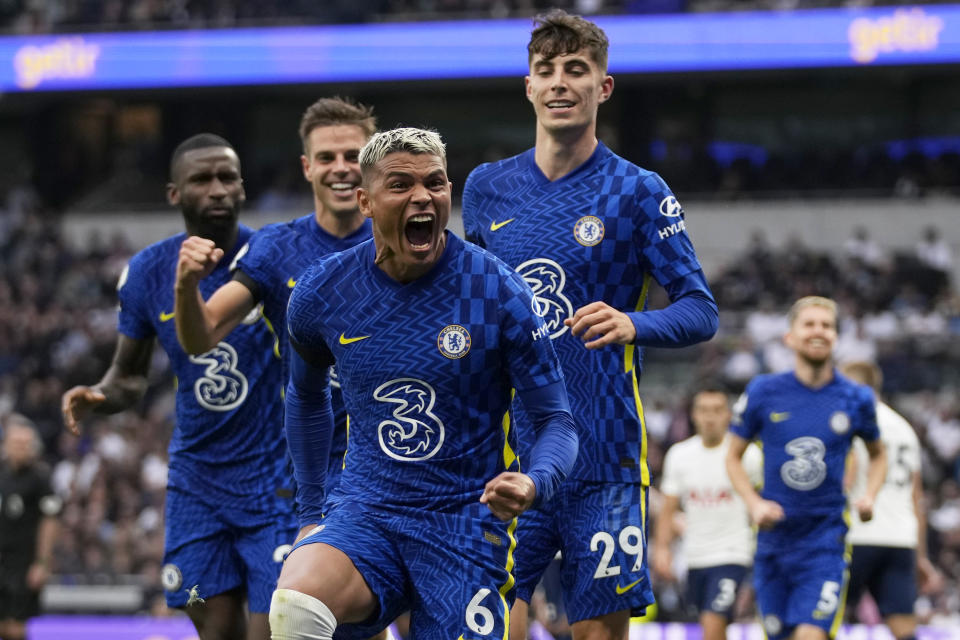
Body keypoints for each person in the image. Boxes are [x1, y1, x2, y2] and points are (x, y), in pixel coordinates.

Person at [461, 10, 718, 640]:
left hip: (603, 452)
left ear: (603, 86)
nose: (559, 83)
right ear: (528, 87)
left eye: (576, 69)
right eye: (545, 70)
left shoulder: (637, 190)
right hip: (506, 452)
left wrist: (634, 323)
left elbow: (699, 309)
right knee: (488, 626)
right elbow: (465, 309)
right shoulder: (485, 189)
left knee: (597, 634)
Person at [267, 127, 579, 640]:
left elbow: (556, 420)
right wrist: (310, 512)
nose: (422, 197)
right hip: (367, 512)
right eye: (401, 185)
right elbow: (305, 395)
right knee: (296, 604)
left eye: (435, 183)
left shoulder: (498, 290)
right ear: (365, 201)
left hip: (464, 522)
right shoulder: (322, 292)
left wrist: (534, 481)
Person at [61, 134, 295, 640]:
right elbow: (128, 377)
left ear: (241, 187)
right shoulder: (147, 271)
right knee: (214, 628)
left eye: (227, 178)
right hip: (197, 481)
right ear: (174, 194)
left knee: (275, 628)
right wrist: (101, 396)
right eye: (202, 179)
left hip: (275, 478)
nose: (217, 190)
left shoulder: (273, 258)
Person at [174, 97, 376, 493]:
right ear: (307, 167)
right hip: (311, 474)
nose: (340, 168)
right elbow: (201, 336)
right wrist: (185, 287)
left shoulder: (407, 243)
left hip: (395, 463)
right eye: (326, 157)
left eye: (353, 156)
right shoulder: (276, 248)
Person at [726, 296, 887, 640]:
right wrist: (754, 504)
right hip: (774, 541)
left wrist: (870, 495)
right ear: (790, 337)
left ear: (836, 337)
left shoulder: (856, 397)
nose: (819, 331)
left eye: (827, 326)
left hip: (825, 542)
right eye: (810, 324)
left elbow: (878, 454)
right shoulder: (763, 391)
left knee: (810, 635)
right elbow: (732, 456)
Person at [840, 360, 944, 640]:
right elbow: (916, 497)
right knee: (903, 628)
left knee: (825, 621)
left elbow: (844, 481)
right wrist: (921, 556)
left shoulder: (851, 420)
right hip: (899, 540)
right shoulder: (904, 428)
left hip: (857, 535)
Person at [652, 385, 762, 640]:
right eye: (703, 410)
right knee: (708, 624)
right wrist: (662, 549)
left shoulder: (749, 455)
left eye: (716, 410)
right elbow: (668, 508)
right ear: (693, 415)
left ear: (728, 415)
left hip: (734, 554)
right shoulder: (680, 455)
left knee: (714, 621)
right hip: (694, 557)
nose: (710, 417)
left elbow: (761, 502)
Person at [0, 414, 61, 640]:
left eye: (26, 444)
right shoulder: (2, 475)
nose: (22, 449)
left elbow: (50, 520)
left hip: (24, 562)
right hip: (1, 559)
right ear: (6, 445)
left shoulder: (40, 478)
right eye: (17, 443)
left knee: (16, 625)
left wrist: (42, 562)